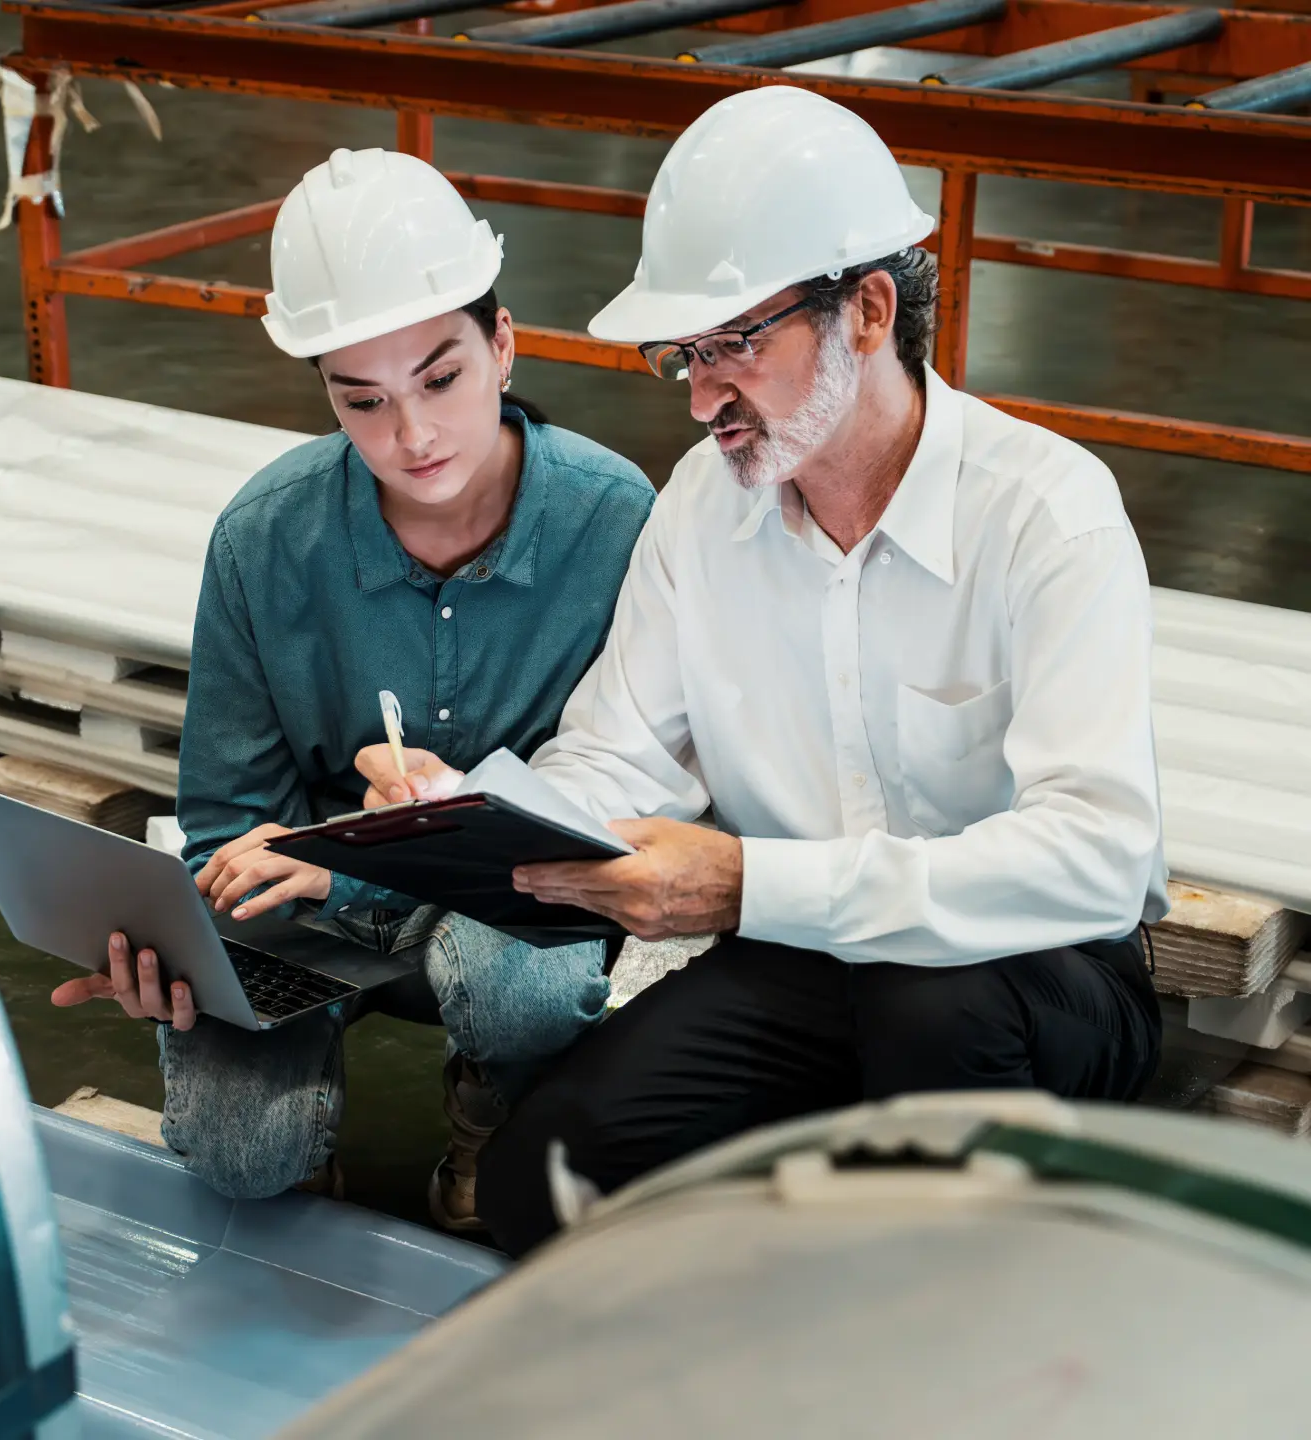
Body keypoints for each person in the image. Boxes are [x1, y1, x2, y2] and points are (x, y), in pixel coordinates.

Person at [356, 87, 1166, 1255]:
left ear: (871, 310)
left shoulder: (1047, 515)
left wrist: (745, 888)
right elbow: (616, 752)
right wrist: (465, 815)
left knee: (926, 1005)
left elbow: (1096, 860)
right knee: (548, 1185)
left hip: (1026, 982)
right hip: (807, 966)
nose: (699, 396)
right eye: (682, 355)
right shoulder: (703, 508)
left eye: (737, 344)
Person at [49, 147, 655, 1229]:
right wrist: (182, 953)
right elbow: (231, 822)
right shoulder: (265, 539)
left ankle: (495, 1113)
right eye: (361, 400)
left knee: (520, 978)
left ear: (502, 345)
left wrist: (369, 865)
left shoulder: (615, 524)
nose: (411, 436)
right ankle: (293, 1115)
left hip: (504, 907)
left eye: (441, 378)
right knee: (241, 1158)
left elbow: (619, 813)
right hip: (307, 916)